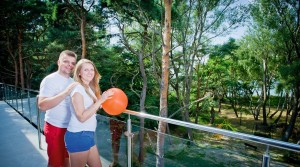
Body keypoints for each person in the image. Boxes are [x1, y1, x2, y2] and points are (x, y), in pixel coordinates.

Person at [64, 59, 114, 167]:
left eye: (92, 69)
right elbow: (82, 117)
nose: (90, 72)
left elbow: (92, 108)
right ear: (79, 73)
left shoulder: (87, 88)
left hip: (88, 135)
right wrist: (101, 100)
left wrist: (105, 100)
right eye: (86, 70)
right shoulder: (77, 89)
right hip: (78, 135)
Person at [38, 50, 78, 167]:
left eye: (73, 63)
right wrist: (65, 92)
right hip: (55, 127)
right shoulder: (49, 79)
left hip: (70, 128)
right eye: (66, 61)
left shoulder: (73, 82)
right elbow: (42, 105)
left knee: (68, 161)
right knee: (55, 163)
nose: (69, 65)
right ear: (59, 62)